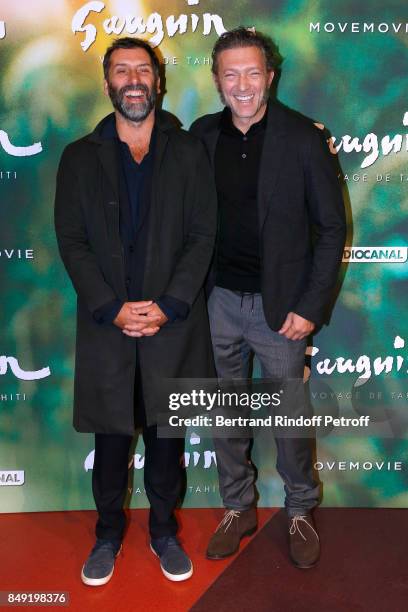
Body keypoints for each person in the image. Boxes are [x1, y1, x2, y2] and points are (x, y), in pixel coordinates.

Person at [54, 37, 216, 585]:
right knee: (111, 440)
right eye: (121, 70)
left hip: (174, 325)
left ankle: (165, 531)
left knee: (168, 440)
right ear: (108, 85)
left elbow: (202, 235)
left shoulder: (190, 151)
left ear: (159, 81)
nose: (133, 79)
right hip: (108, 328)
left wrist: (168, 306)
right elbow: (71, 241)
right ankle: (107, 534)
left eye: (142, 70)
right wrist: (111, 308)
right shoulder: (79, 157)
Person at [191, 27, 346, 568]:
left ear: (270, 76)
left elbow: (332, 229)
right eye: (230, 74)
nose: (242, 85)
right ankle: (238, 507)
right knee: (226, 415)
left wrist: (310, 306)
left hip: (283, 308)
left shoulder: (303, 137)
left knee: (290, 420)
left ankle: (300, 509)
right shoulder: (202, 135)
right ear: (216, 80)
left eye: (252, 73)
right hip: (218, 304)